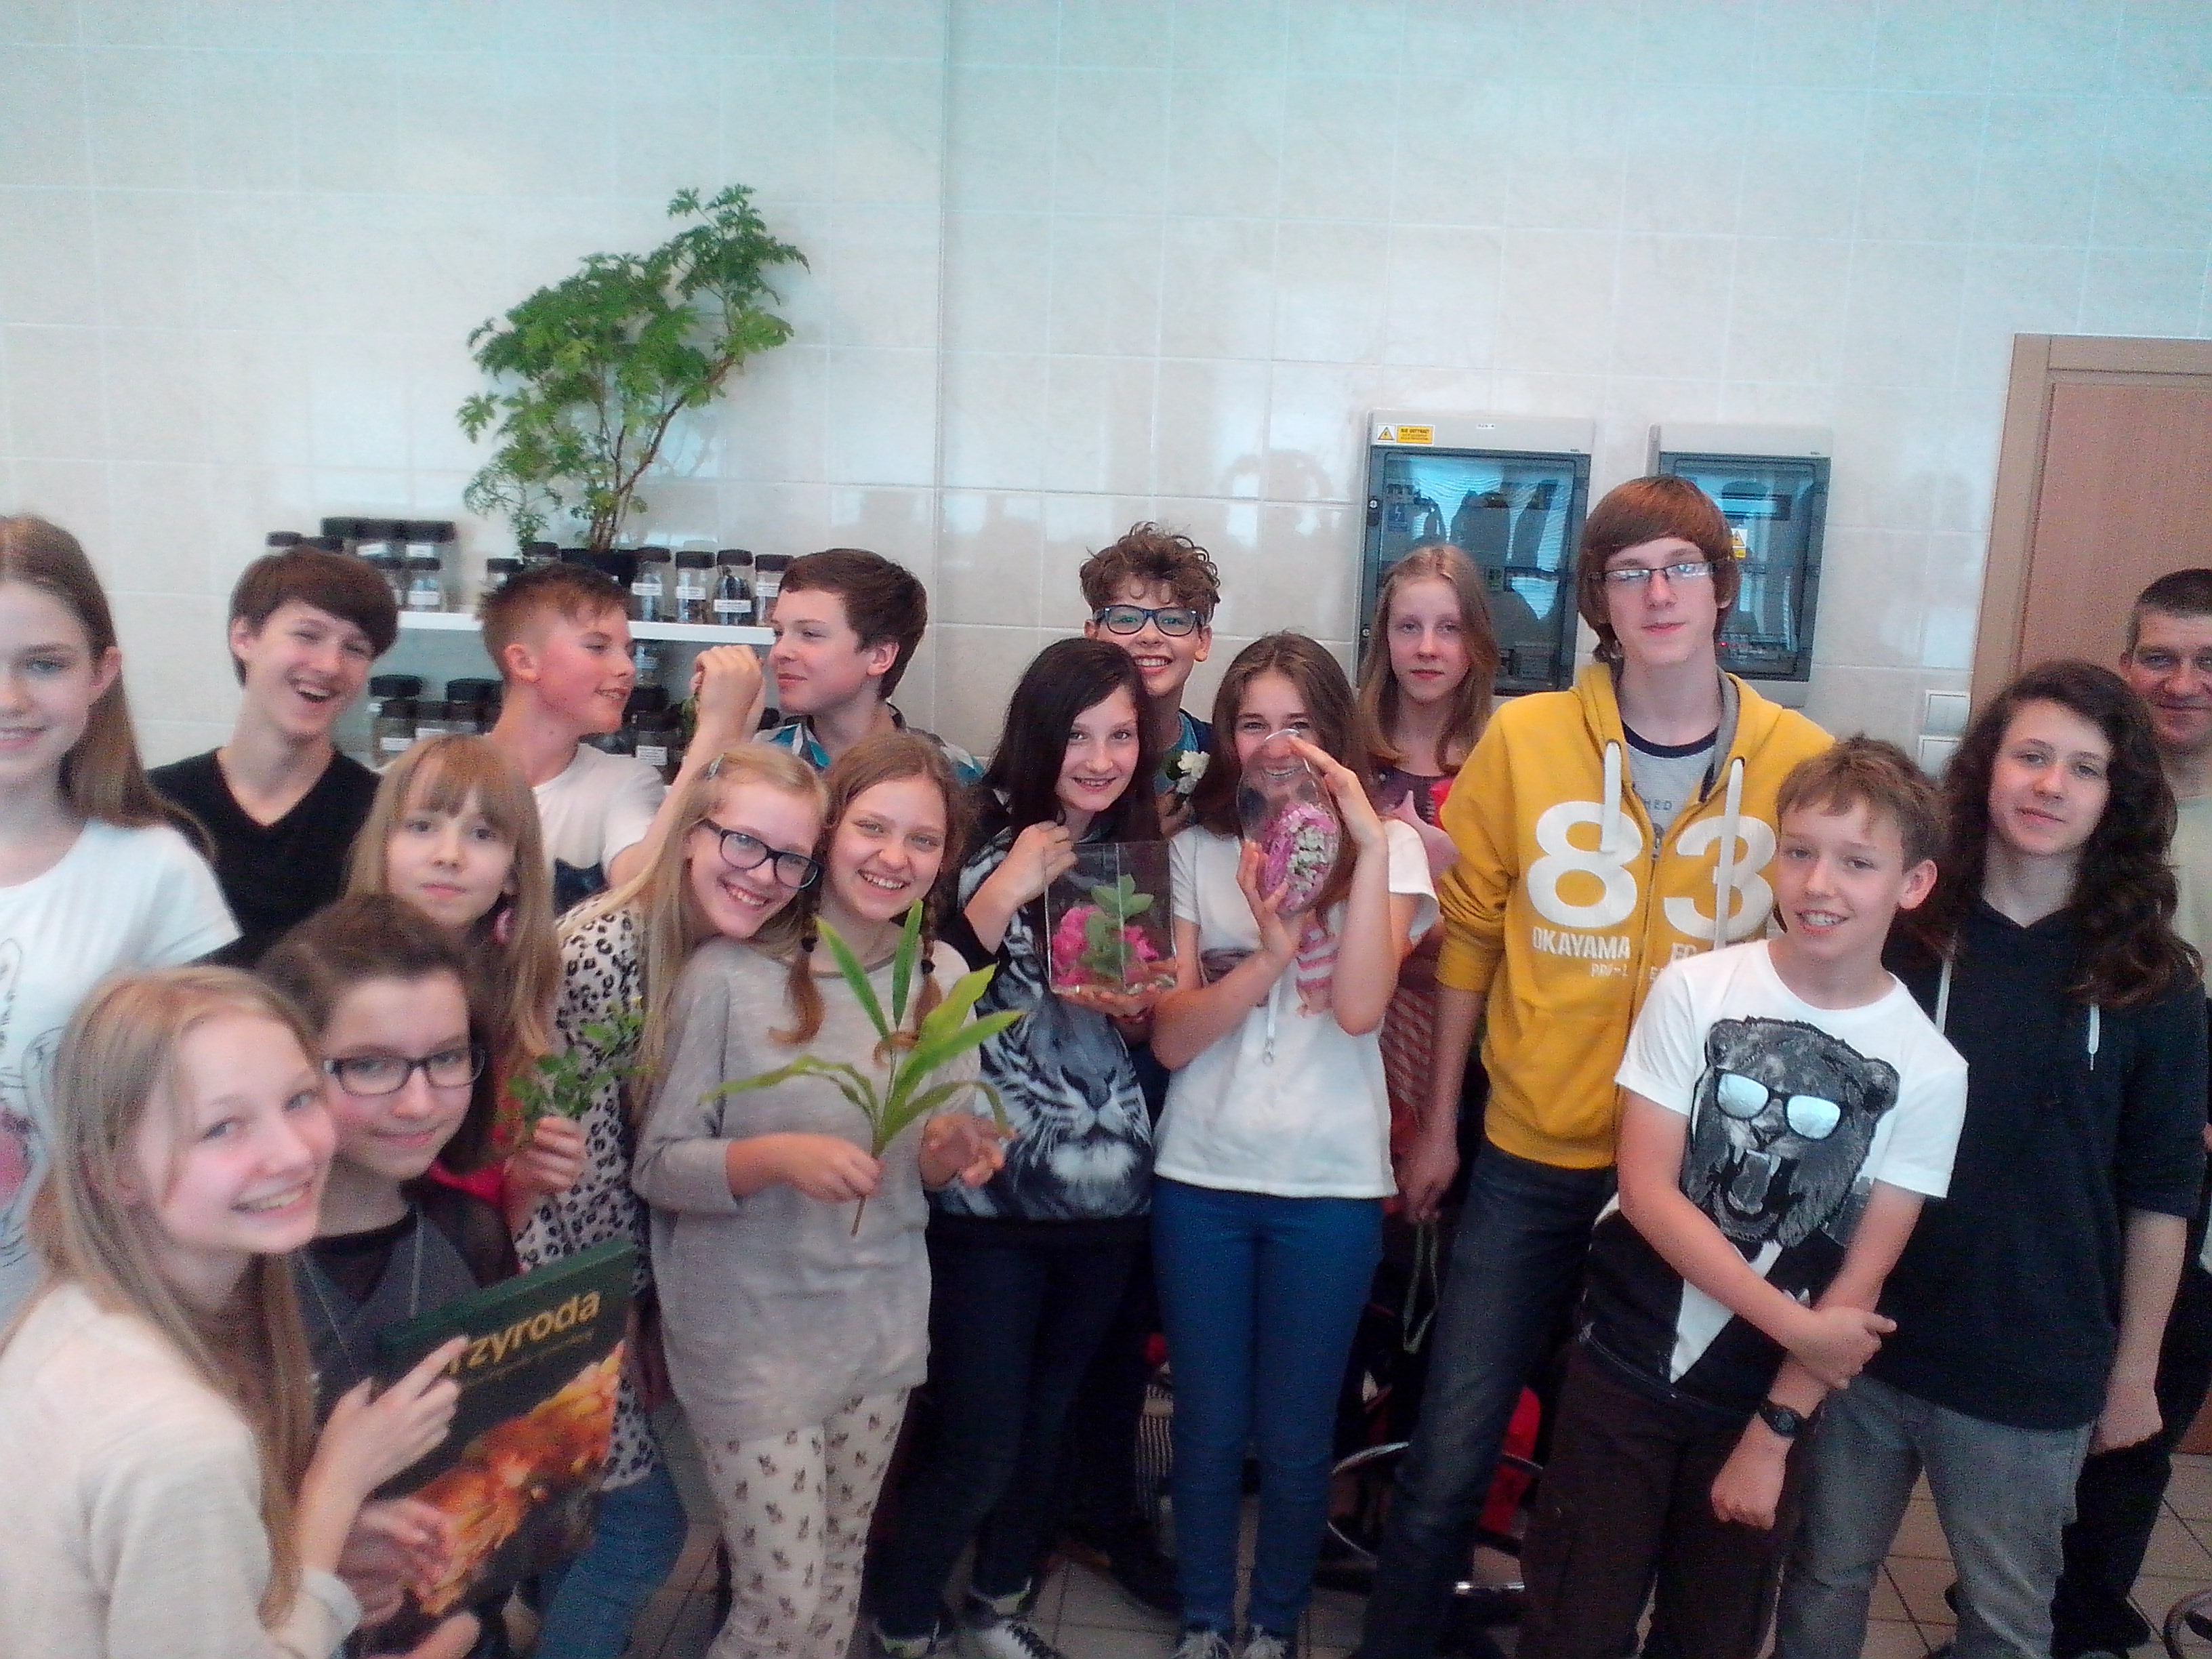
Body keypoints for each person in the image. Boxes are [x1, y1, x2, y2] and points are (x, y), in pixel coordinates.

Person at [1357, 476, 1830, 1659]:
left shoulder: (1798, 762)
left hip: (1704, 1182)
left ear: (1722, 590)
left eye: (1681, 567)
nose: (1657, 593)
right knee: (1455, 1438)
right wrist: (1438, 1126)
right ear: (1596, 599)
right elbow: (1470, 939)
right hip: (1531, 1154)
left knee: (1615, 1460)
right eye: (1629, 572)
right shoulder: (1525, 741)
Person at [1774, 661, 2209, 1659]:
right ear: (1987, 770)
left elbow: (2162, 1200)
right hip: (1867, 1339)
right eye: (2032, 756)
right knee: (1824, 1578)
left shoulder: (2154, 983)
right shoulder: (1901, 939)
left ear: (2117, 796)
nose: (2051, 785)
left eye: (2084, 768)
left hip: (2035, 1364)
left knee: (2008, 1620)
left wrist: (2135, 1372)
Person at [1515, 739, 1966, 1659]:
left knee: (1712, 1635)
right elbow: (1647, 1190)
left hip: (1760, 1405)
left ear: (1914, 884)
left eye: (1857, 862)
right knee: (1572, 1624)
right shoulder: (1697, 990)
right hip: (1623, 1371)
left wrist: (1773, 1435)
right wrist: (1798, 1326)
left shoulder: (1929, 1071)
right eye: (1800, 851)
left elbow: (1860, 1281)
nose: (1819, 883)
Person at [634, 733, 1006, 1659]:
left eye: (923, 840)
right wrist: (772, 1157)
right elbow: (660, 1166)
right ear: (828, 835)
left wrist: (957, 1148)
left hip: (876, 1324)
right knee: (782, 1607)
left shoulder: (939, 977)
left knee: (840, 1576)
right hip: (749, 1334)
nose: (895, 857)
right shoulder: (729, 974)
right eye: (873, 828)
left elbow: (932, 1161)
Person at [0, 964, 464, 1658]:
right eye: (222, 1128)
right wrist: (334, 1490)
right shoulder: (181, 1442)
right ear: (114, 1172)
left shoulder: (68, 1313)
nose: (293, 1153)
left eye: (300, 1099)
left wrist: (292, 1556)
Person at [870, 639, 1163, 1659]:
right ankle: (905, 1618)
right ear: (1039, 736)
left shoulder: (1133, 855)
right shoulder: (968, 840)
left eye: (1121, 735)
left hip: (1108, 1191)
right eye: (1079, 735)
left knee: (1050, 1428)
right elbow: (917, 1012)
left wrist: (1133, 1009)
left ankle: (997, 1605)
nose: (1101, 758)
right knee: (979, 1437)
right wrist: (1002, 891)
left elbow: (1131, 1024)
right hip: (988, 1193)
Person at [1149, 632, 1436, 1659]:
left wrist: (1367, 839)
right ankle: (1203, 1622)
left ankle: (1273, 1626)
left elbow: (1359, 1008)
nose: (1276, 747)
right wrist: (1269, 956)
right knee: (1209, 1425)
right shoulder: (1196, 850)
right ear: (1227, 737)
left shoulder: (1389, 851)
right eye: (1254, 724)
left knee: (1299, 1431)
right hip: (1201, 1178)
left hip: (1331, 1187)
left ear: (1336, 737)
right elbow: (1172, 1040)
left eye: (1300, 725)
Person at [522, 743, 828, 1659]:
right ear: (692, 832)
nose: (763, 874)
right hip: (552, 1283)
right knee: (641, 1531)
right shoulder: (605, 954)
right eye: (744, 842)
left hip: (602, 1282)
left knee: (573, 1530)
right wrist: (620, 1322)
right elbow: (574, 1179)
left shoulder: (727, 956)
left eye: (790, 858)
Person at [261, 895, 515, 1659]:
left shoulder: (469, 1237)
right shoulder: (231, 1271)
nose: (419, 1102)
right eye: (370, 1065)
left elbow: (503, 1474)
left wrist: (465, 1624)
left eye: (447, 1058)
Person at [0, 515, 239, 1325]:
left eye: (44, 664)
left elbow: (208, 1117)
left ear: (102, 673)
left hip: (73, 1318)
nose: (11, 698)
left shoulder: (154, 872)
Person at [2051, 571, 2212, 1658]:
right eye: (2160, 657)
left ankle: (2082, 1627)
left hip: (2188, 1178)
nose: (2183, 683)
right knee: (2037, 1406)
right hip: (2072, 1159)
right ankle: (2014, 1608)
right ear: (2126, 667)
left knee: (2138, 1409)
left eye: (2206, 663)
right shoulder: (2084, 798)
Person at [347, 733, 581, 1232]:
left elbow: (491, 1232)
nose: (449, 855)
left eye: (482, 834)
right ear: (382, 845)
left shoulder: (518, 997)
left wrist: (527, 1180)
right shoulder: (333, 985)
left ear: (514, 872)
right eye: (422, 826)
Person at [150, 545, 398, 965]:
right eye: (308, 635)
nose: (330, 665)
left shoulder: (385, 814)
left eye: (356, 649)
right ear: (244, 638)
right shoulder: (153, 805)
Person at [482, 562, 766, 912]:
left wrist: (720, 728)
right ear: (524, 662)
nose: (627, 668)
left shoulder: (624, 782)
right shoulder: (437, 773)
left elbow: (641, 886)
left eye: (628, 652)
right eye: (597, 647)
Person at [1353, 541, 1498, 1178]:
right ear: (1383, 639)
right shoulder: (1346, 757)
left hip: (1463, 1050)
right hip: (1349, 1041)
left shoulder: (1503, 763)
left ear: (1477, 643)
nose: (1427, 649)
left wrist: (1406, 930)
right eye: (1408, 627)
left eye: (1450, 629)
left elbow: (1503, 939)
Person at [762, 547, 982, 783]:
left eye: (810, 634)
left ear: (879, 657)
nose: (780, 652)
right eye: (778, 633)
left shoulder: (953, 774)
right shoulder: (759, 759)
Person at [1079, 523, 1222, 831]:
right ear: (1093, 636)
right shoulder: (1053, 751)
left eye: (1174, 621)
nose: (1149, 636)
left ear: (1202, 642)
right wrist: (1143, 841)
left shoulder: (1224, 755)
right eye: (1126, 619)